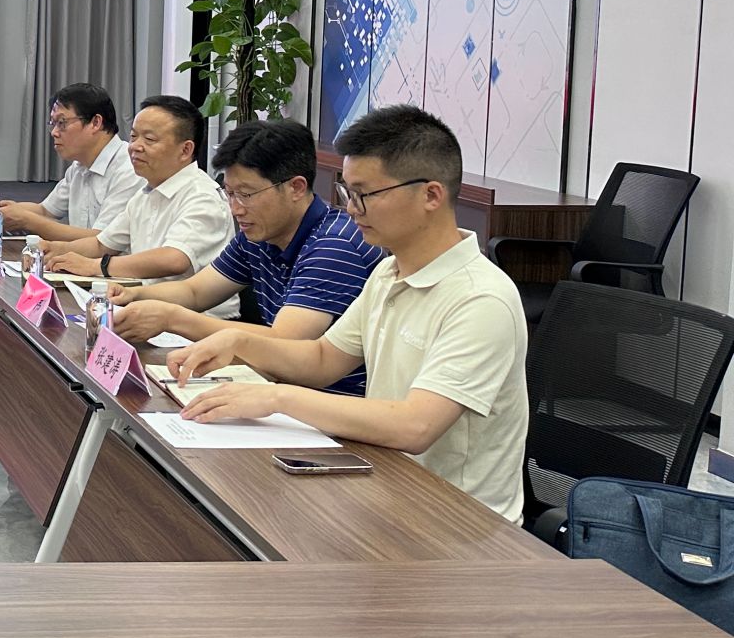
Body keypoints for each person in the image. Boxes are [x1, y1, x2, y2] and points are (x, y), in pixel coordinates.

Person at [166, 104, 530, 522]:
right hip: (386, 486)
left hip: (457, 521)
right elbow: (323, 359)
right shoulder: (389, 272)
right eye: (346, 192)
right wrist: (237, 342)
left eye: (365, 195)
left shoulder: (481, 299)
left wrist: (276, 397)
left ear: (431, 195)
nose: (352, 208)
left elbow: (415, 426)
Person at [106, 119, 380, 393]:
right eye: (230, 193)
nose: (236, 209)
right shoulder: (261, 233)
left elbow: (283, 340)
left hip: (328, 402)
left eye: (246, 194)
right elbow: (195, 292)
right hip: (279, 385)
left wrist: (172, 319)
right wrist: (134, 295)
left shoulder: (334, 246)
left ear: (296, 187)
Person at [45, 94, 236, 314]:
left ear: (185, 150)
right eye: (134, 136)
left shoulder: (202, 196)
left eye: (149, 139)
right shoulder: (146, 192)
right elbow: (101, 244)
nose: (135, 146)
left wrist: (96, 266)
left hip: (198, 322)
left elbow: (174, 259)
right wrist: (54, 249)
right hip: (146, 307)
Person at [0, 82, 139, 243]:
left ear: (95, 123)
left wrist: (28, 220)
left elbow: (101, 241)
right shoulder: (79, 166)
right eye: (53, 123)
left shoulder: (130, 169)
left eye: (62, 123)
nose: (54, 133)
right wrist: (0, 209)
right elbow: (45, 211)